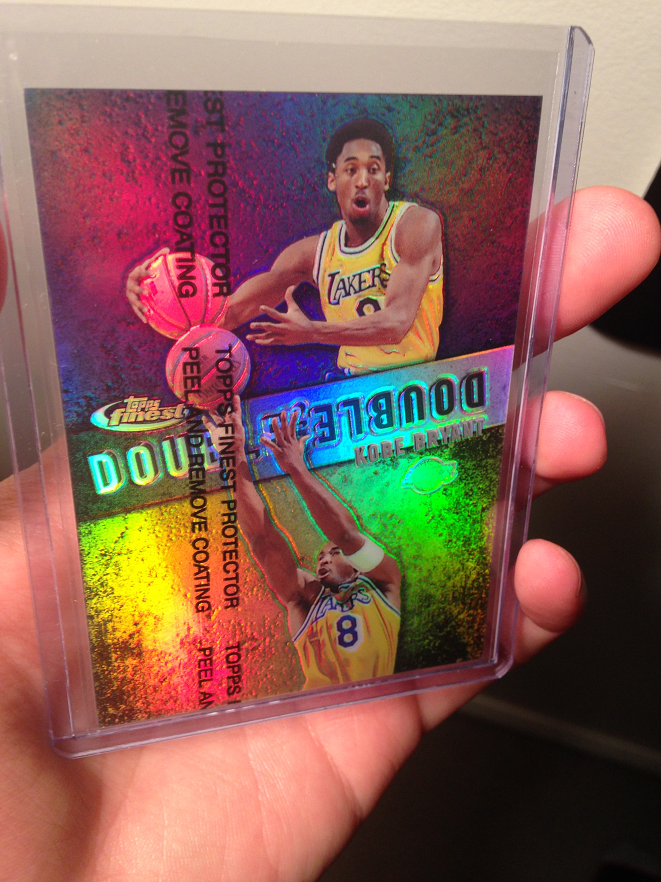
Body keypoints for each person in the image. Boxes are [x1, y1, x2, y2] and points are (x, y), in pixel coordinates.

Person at [3, 187, 660, 881]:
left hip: (322, 715)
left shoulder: (319, 603)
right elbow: (300, 535)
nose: (322, 557)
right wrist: (245, 462)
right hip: (335, 714)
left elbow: (294, 540)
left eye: (324, 557)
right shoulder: (382, 587)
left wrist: (267, 467)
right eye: (327, 556)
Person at [126, 118, 444, 375]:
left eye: (373, 169)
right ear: (332, 180)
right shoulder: (312, 254)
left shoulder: (416, 225)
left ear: (386, 179)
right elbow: (227, 314)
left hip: (419, 388)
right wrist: (153, 298)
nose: (362, 180)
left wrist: (313, 332)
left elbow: (396, 323)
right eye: (351, 169)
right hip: (355, 392)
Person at [205, 403, 402, 689]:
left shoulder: (385, 580)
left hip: (370, 706)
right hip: (321, 708)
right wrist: (234, 455)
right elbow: (262, 540)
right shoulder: (305, 600)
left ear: (358, 568)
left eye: (333, 553)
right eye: (321, 556)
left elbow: (346, 535)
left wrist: (296, 467)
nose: (324, 559)